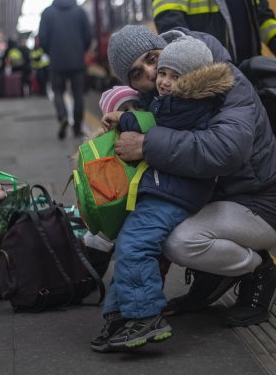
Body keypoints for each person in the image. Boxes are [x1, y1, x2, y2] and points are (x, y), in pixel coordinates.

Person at [96, 24, 276, 338]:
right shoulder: (163, 90)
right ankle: (213, 276)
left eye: (151, 57)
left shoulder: (218, 75)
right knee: (152, 220)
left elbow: (228, 151)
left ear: (164, 48)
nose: (151, 71)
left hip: (256, 202)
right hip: (214, 198)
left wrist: (145, 145)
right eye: (137, 73)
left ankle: (260, 271)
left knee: (179, 241)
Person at [92, 36, 235, 352]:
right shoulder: (175, 102)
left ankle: (144, 317)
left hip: (174, 192)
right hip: (165, 187)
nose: (165, 82)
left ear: (193, 78)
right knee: (130, 243)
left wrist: (125, 118)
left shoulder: (191, 103)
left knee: (136, 244)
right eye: (164, 74)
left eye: (175, 76)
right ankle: (119, 315)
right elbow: (155, 118)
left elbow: (155, 124)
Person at [38, 0, 92, 139]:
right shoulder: (79, 11)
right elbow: (88, 35)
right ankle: (77, 128)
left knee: (58, 92)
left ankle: (62, 117)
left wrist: (51, 53)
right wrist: (81, 50)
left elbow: (42, 38)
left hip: (57, 61)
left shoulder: (47, 13)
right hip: (77, 61)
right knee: (78, 95)